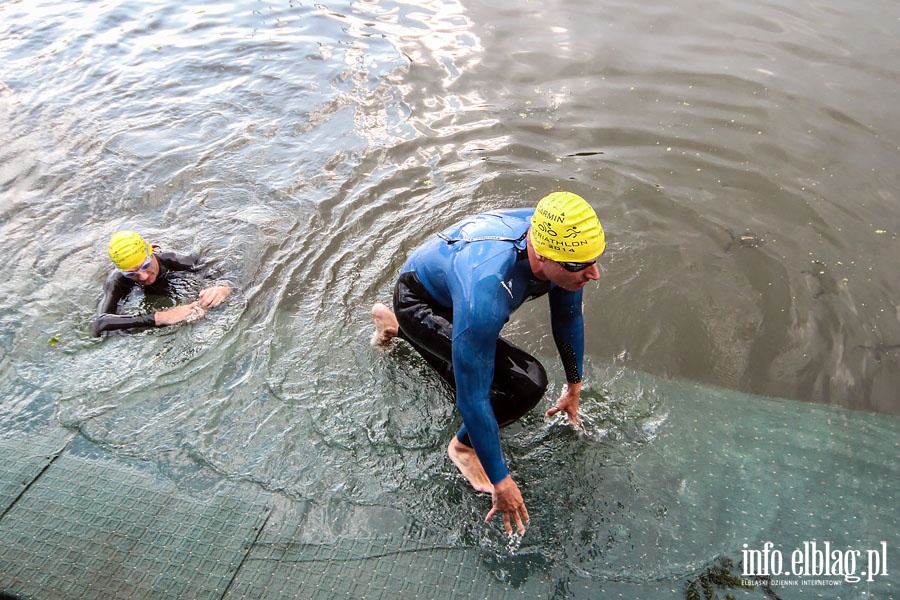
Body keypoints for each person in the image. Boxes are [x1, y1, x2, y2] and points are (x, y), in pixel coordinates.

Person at [371, 191, 605, 535]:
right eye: (581, 266)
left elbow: (568, 317)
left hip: (452, 288)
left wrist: (574, 385)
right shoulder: (487, 292)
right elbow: (473, 396)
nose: (594, 273)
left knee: (478, 368)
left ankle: (395, 328)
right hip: (421, 302)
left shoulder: (568, 244)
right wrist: (502, 481)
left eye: (595, 259)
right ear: (539, 256)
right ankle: (462, 448)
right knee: (524, 384)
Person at [93, 230, 232, 336]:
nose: (143, 276)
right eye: (131, 273)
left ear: (152, 250)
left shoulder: (178, 261)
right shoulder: (117, 280)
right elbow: (101, 322)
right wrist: (162, 317)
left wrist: (221, 288)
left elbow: (221, 272)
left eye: (145, 265)